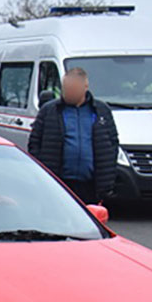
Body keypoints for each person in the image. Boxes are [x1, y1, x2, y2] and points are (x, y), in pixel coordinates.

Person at [28, 66, 120, 203]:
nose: (68, 93)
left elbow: (112, 143)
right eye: (66, 89)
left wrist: (107, 179)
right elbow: (34, 143)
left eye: (72, 89)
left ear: (85, 87)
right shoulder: (50, 111)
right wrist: (44, 172)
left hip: (90, 185)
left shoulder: (101, 111)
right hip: (59, 183)